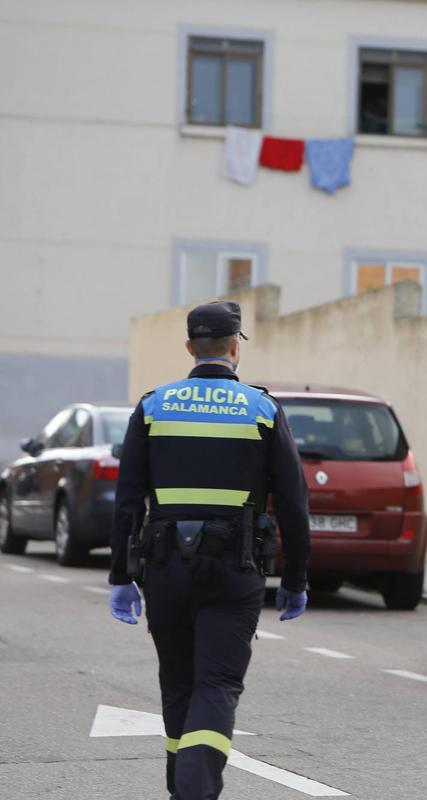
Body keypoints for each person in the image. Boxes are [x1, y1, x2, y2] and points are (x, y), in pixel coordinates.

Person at [107, 301, 311, 800]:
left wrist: (120, 575)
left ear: (189, 347)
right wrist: (296, 579)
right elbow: (292, 502)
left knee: (178, 685)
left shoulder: (154, 406)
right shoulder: (261, 408)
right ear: (236, 346)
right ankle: (196, 792)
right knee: (216, 685)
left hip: (165, 569)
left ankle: (184, 791)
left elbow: (128, 498)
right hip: (232, 568)